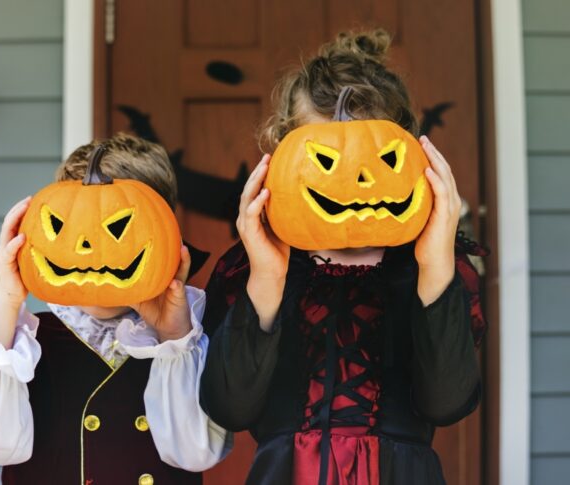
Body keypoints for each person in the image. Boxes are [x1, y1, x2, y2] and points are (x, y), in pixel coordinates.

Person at [199, 30, 486, 485]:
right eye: (326, 162)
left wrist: (435, 267)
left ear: (414, 154)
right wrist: (267, 280)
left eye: (379, 161)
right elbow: (229, 407)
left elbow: (447, 404)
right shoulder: (251, 269)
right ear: (281, 153)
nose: (355, 184)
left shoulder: (431, 270)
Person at [0, 134, 229, 485]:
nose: (90, 249)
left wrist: (173, 338)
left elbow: (197, 451)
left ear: (162, 232)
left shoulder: (185, 345)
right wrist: (7, 301)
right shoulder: (22, 344)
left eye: (119, 229)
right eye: (67, 226)